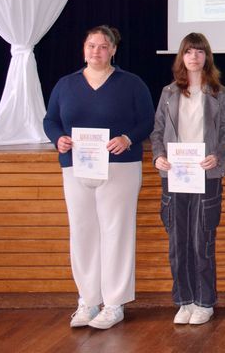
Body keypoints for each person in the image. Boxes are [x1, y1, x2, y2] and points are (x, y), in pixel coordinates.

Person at [43, 25, 155, 329]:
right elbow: (50, 119)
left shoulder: (131, 84)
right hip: (76, 167)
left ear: (114, 50)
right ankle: (88, 301)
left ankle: (114, 303)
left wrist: (128, 138)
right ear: (84, 48)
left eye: (103, 46)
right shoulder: (66, 85)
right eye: (91, 45)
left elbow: (148, 120)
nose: (96, 51)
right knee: (82, 233)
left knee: (117, 233)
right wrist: (58, 139)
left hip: (120, 167)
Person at [150, 33, 225, 325]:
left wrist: (218, 155)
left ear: (207, 57)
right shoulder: (168, 93)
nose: (194, 57)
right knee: (178, 241)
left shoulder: (218, 93)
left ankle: (204, 301)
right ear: (182, 57)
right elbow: (157, 132)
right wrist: (158, 157)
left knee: (202, 240)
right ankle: (184, 301)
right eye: (189, 51)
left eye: (200, 52)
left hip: (206, 175)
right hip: (174, 176)